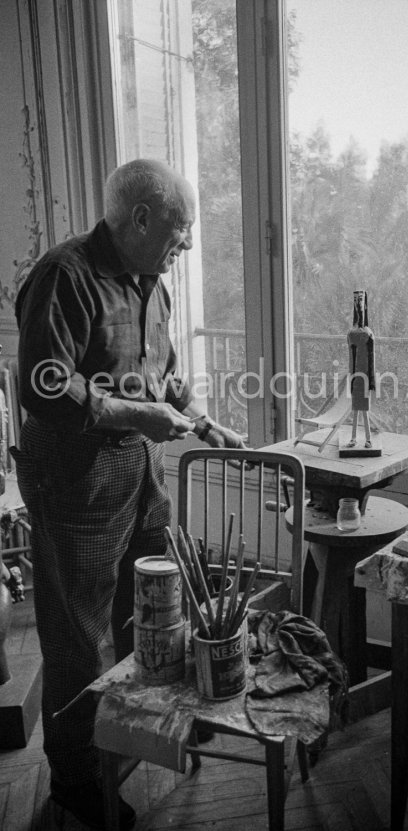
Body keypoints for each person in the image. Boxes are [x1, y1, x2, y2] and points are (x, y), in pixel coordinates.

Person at [13, 159, 244, 830]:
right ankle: (77, 782)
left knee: (152, 611)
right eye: (181, 230)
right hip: (75, 484)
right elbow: (46, 387)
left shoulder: (155, 284)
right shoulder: (66, 275)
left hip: (139, 479)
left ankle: (141, 730)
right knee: (77, 639)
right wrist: (137, 417)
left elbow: (161, 375)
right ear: (139, 218)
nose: (189, 246)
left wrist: (197, 415)